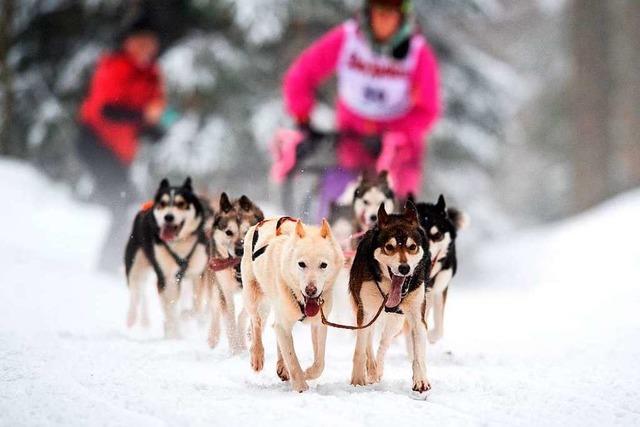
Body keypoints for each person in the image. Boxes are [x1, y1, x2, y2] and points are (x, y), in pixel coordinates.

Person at [282, 0, 440, 217]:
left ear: (402, 17)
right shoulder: (347, 39)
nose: (384, 19)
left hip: (398, 150)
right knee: (342, 204)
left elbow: (428, 110)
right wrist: (303, 119)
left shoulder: (417, 53)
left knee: (397, 213)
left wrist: (391, 133)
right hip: (352, 139)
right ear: (368, 13)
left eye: (391, 14)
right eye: (380, 12)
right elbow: (301, 74)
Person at [77, 14, 167, 273]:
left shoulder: (152, 75)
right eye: (140, 43)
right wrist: (143, 117)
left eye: (151, 44)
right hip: (94, 142)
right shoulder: (115, 66)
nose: (145, 49)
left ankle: (113, 264)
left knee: (133, 207)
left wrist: (154, 129)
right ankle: (106, 267)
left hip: (121, 152)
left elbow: (146, 116)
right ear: (128, 42)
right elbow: (108, 110)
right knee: (124, 204)